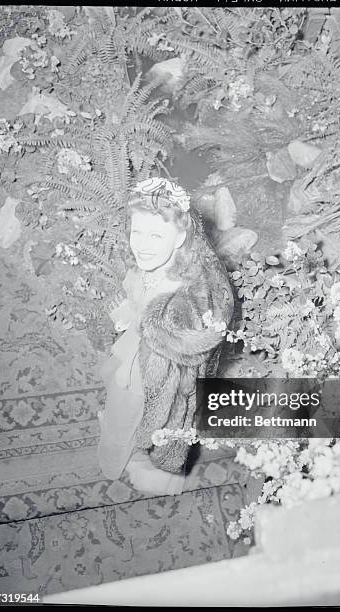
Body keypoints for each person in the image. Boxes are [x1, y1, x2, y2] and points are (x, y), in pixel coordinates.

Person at [97, 177, 234, 495]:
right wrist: (127, 317)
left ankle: (118, 458)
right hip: (136, 351)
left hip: (150, 378)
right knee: (122, 404)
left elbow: (174, 386)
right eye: (137, 232)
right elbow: (138, 305)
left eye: (156, 234)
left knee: (127, 416)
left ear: (181, 236)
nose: (142, 244)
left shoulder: (180, 306)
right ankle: (127, 440)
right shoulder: (152, 267)